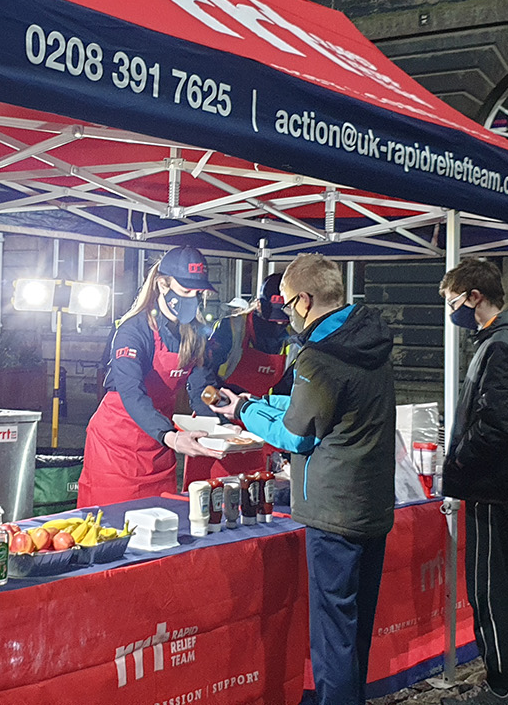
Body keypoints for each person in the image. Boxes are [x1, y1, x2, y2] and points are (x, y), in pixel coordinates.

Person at [213, 254, 394, 705]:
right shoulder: (369, 341)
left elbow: (297, 434)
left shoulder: (320, 356)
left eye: (289, 304)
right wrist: (256, 404)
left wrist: (243, 411)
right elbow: (318, 417)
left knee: (333, 634)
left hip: (333, 512)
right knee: (356, 628)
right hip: (371, 504)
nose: (287, 314)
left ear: (305, 299)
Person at [437, 258, 508, 705]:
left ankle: (502, 688)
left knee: (489, 591)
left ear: (474, 297)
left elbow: (496, 422)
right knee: (504, 586)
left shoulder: (501, 344)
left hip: (490, 484)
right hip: (506, 483)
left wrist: (460, 462)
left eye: (453, 300)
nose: (452, 310)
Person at [77, 245, 224, 506]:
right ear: (162, 285)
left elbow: (203, 388)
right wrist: (171, 436)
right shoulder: (133, 331)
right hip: (116, 446)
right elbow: (132, 393)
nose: (193, 298)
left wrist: (220, 423)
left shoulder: (196, 332)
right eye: (185, 290)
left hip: (159, 447)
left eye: (198, 292)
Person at [184, 272, 294, 484]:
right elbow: (203, 384)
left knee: (252, 491)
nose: (278, 327)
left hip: (257, 421)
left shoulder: (291, 339)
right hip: (215, 422)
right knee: (208, 493)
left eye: (283, 321)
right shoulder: (231, 329)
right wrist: (222, 422)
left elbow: (285, 392)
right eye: (273, 321)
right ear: (259, 307)